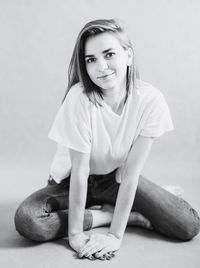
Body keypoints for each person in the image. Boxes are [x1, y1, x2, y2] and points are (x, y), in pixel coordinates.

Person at [14, 18, 200, 261]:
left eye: (109, 54)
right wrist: (75, 234)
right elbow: (80, 174)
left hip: (116, 178)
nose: (101, 67)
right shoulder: (79, 99)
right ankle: (109, 215)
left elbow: (130, 175)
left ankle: (115, 212)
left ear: (128, 56)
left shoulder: (151, 100)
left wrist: (115, 236)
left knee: (188, 225)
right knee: (29, 221)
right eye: (91, 59)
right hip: (71, 181)